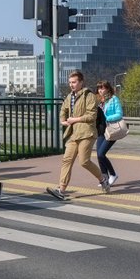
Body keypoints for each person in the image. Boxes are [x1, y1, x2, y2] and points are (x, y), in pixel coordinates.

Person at [47, 70, 102, 201]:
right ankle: (61, 189)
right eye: (70, 82)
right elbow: (63, 109)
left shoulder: (88, 96)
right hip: (73, 133)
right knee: (67, 160)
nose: (71, 85)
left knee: (84, 161)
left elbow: (92, 116)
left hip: (87, 132)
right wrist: (63, 120)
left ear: (81, 82)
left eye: (74, 82)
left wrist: (75, 119)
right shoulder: (69, 96)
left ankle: (102, 178)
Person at [95, 80, 123, 192]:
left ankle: (113, 174)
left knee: (101, 153)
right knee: (98, 155)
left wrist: (108, 118)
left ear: (108, 89)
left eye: (103, 88)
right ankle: (104, 178)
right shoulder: (97, 100)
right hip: (101, 130)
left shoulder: (113, 99)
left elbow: (119, 114)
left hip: (112, 129)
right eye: (99, 88)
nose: (101, 90)